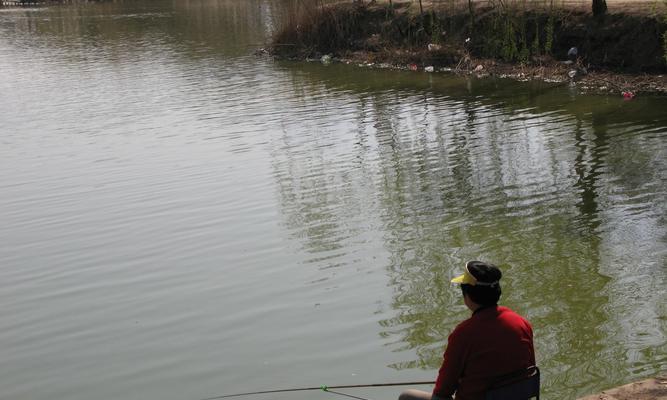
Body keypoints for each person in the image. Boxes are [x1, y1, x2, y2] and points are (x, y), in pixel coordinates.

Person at [399, 261, 535, 400]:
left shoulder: (464, 334)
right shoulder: (522, 323)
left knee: (406, 396)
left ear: (467, 296)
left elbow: (442, 392)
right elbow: (529, 371)